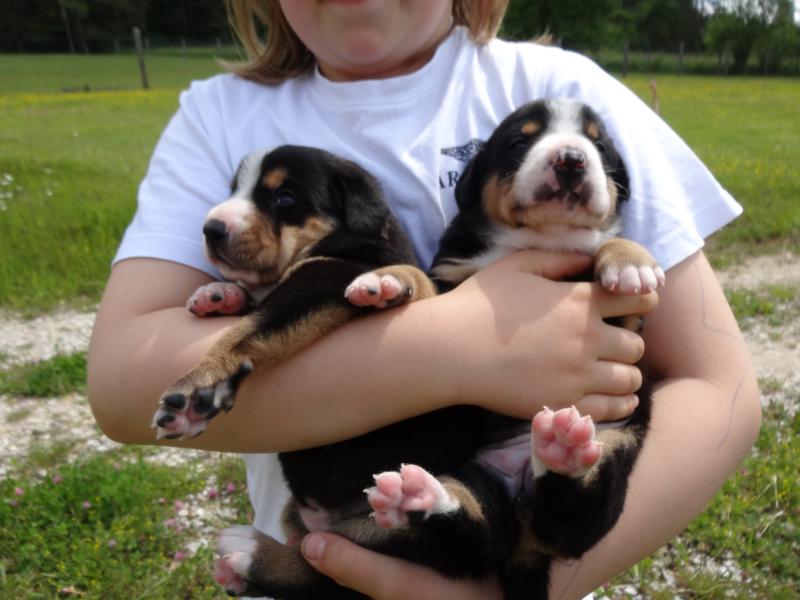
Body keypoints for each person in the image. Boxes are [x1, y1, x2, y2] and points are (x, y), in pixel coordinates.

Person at [87, 1, 761, 598]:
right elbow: (122, 386)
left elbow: (715, 385)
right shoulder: (218, 116)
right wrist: (463, 349)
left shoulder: (561, 83)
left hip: (513, 537)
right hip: (335, 527)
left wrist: (508, 589)